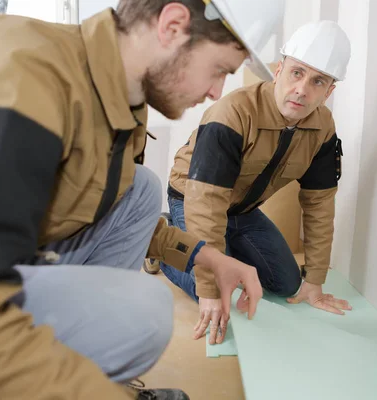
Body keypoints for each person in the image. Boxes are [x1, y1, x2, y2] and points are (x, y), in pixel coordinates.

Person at [0, 0, 285, 399]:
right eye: (220, 69)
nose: (215, 91)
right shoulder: (22, 77)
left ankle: (54, 368)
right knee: (144, 311)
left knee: (140, 190)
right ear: (172, 26)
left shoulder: (121, 101)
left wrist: (206, 256)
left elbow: (102, 206)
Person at [146, 20, 355, 346]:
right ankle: (163, 239)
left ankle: (222, 249)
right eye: (297, 73)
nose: (302, 89)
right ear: (279, 70)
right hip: (192, 199)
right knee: (213, 288)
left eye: (318, 81)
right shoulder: (232, 114)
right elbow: (206, 203)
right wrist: (211, 290)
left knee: (287, 284)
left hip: (242, 210)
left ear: (329, 91)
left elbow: (319, 204)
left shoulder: (323, 129)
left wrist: (314, 281)